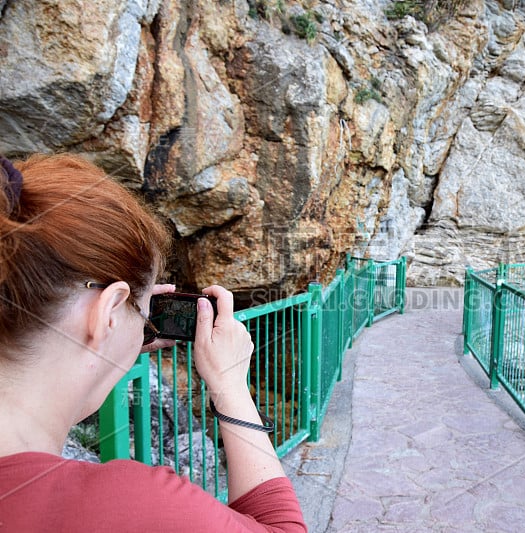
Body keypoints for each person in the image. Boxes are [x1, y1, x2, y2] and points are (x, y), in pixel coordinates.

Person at [0, 154, 307, 532]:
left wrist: (112, 343)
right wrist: (230, 386)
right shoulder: (133, 507)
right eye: (144, 314)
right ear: (108, 311)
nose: (145, 326)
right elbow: (282, 526)